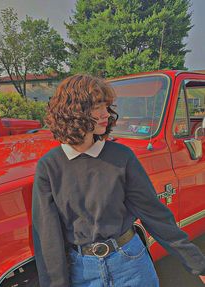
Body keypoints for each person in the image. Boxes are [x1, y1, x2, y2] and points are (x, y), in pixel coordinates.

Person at [32, 74, 205, 287]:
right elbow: (47, 238)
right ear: (74, 110)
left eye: (107, 106)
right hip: (82, 273)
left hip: (131, 265)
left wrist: (198, 264)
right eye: (97, 106)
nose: (107, 114)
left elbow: (154, 214)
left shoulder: (122, 157)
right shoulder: (49, 167)